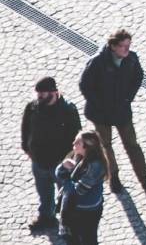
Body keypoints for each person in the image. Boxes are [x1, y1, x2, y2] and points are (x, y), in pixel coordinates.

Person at [78, 28, 146, 198]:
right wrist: (99, 104)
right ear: (113, 46)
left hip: (121, 110)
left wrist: (128, 98)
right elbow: (85, 85)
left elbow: (138, 76)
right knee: (105, 145)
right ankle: (113, 176)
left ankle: (145, 180)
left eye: (128, 46)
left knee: (132, 145)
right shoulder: (98, 62)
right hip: (101, 114)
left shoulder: (131, 58)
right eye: (123, 46)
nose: (127, 50)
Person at [22, 76, 81, 232]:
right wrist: (26, 148)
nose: (38, 98)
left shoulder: (68, 110)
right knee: (44, 192)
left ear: (53, 93)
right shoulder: (33, 108)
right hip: (39, 160)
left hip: (60, 162)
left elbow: (76, 136)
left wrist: (70, 159)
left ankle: (67, 223)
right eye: (38, 95)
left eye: (42, 95)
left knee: (65, 195)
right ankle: (46, 217)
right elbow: (25, 129)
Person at [54, 131, 108, 245]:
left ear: (86, 146)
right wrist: (63, 166)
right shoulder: (76, 155)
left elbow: (79, 190)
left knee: (88, 240)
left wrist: (66, 181)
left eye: (78, 141)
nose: (74, 143)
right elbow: (59, 175)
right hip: (73, 206)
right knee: (72, 239)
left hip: (87, 210)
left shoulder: (95, 166)